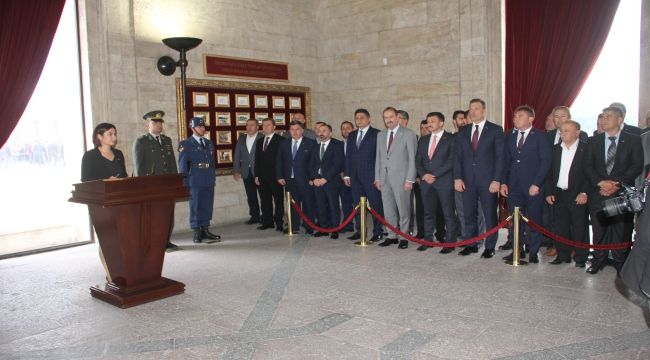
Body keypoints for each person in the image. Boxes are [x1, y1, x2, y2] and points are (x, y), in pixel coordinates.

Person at [584, 106, 643, 275]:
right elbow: (587, 166)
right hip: (598, 192)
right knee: (599, 230)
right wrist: (601, 183)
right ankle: (598, 261)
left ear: (619, 120)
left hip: (621, 193)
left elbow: (636, 166)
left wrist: (615, 184)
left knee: (621, 230)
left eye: (608, 117)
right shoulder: (594, 141)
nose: (603, 120)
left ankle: (620, 263)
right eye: (602, 116)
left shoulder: (632, 140)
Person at [500, 105, 552, 264]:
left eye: (520, 115)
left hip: (533, 186)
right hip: (513, 185)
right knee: (516, 220)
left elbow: (546, 162)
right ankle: (517, 250)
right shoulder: (509, 135)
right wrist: (503, 182)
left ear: (531, 119)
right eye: (515, 115)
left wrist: (537, 183)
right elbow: (505, 161)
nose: (516, 118)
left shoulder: (540, 136)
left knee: (534, 220)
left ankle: (534, 251)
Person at [454, 98, 504, 258]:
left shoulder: (495, 130)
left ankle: (490, 246)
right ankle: (471, 244)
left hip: (488, 181)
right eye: (470, 109)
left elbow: (500, 157)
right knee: (469, 214)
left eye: (476, 108)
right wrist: (457, 178)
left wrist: (497, 180)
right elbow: (457, 157)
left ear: (483, 111)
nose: (472, 112)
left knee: (490, 215)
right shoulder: (463, 131)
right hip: (467, 180)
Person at [544, 120, 590, 267]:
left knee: (579, 227)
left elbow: (590, 173)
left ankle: (581, 257)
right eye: (562, 131)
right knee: (560, 227)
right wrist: (549, 192)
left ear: (577, 133)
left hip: (577, 194)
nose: (563, 134)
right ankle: (563, 255)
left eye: (567, 131)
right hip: (559, 193)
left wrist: (584, 192)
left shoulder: (586, 149)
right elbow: (549, 173)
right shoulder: (555, 149)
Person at [132, 110, 179, 250]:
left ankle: (166, 240)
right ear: (148, 125)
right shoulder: (141, 142)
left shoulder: (167, 140)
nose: (158, 125)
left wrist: (175, 182)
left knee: (168, 213)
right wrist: (142, 187)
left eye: (160, 122)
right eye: (155, 122)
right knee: (153, 215)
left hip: (167, 184)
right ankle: (154, 242)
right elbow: (138, 166)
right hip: (151, 186)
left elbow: (171, 163)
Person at [375, 107, 417, 249]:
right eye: (386, 117)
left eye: (391, 116)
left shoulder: (408, 134)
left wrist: (410, 179)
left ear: (397, 117)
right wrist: (378, 178)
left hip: (402, 179)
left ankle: (403, 236)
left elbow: (412, 159)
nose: (389, 120)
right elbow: (379, 159)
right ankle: (391, 235)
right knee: (388, 209)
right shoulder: (380, 135)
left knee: (403, 209)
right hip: (384, 178)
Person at [415, 112, 457, 253]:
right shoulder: (423, 140)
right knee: (428, 213)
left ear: (441, 123)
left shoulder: (451, 139)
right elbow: (418, 161)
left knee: (448, 213)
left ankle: (450, 243)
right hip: (426, 182)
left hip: (444, 182)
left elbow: (452, 161)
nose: (429, 123)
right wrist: (423, 175)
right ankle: (428, 240)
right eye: (428, 121)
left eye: (433, 121)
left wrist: (434, 174)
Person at [344, 109, 384, 244]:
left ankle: (378, 232)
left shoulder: (377, 134)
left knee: (375, 205)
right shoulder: (352, 135)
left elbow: (380, 157)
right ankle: (360, 231)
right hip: (354, 177)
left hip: (371, 176)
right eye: (357, 118)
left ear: (369, 119)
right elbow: (348, 156)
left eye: (362, 118)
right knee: (357, 205)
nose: (359, 120)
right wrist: (347, 174)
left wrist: (378, 176)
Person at [178, 117, 220, 244]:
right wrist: (185, 182)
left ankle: (205, 229)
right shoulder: (185, 144)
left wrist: (213, 177)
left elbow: (212, 162)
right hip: (195, 178)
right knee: (195, 206)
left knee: (207, 205)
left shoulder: (209, 143)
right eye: (200, 126)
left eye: (203, 126)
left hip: (208, 177)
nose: (203, 128)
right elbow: (183, 165)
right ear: (193, 128)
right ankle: (197, 231)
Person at [276, 120, 316, 235]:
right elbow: (279, 161)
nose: (295, 132)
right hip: (289, 180)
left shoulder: (310, 143)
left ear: (302, 130)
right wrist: (279, 176)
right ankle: (294, 226)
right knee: (293, 204)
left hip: (306, 180)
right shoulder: (284, 143)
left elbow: (314, 163)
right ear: (289, 131)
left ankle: (309, 226)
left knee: (308, 203)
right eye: (292, 129)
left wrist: (312, 178)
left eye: (297, 129)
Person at [310, 123, 345, 239]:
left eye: (324, 131)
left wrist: (325, 179)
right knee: (320, 205)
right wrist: (314, 178)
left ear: (330, 133)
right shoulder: (315, 146)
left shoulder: (338, 145)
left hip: (331, 181)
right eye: (320, 131)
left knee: (333, 205)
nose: (321, 133)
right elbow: (311, 164)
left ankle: (335, 229)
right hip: (317, 182)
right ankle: (323, 228)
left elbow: (337, 164)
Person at [255, 118, 285, 231]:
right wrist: (256, 175)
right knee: (265, 200)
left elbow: (283, 160)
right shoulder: (259, 141)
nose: (265, 127)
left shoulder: (281, 140)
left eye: (268, 125)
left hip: (276, 177)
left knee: (278, 200)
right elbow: (257, 159)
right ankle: (267, 222)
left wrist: (281, 175)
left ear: (274, 127)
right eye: (263, 125)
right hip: (262, 177)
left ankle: (279, 223)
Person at [233, 118, 263, 225]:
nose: (249, 127)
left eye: (252, 125)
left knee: (263, 195)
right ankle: (255, 216)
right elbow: (237, 155)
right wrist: (236, 170)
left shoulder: (262, 137)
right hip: (246, 171)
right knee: (251, 196)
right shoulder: (241, 138)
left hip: (259, 171)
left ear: (257, 127)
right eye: (247, 125)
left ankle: (265, 216)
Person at [339, 121, 355, 233]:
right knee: (346, 203)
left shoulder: (357, 143)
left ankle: (361, 227)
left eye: (348, 128)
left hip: (356, 178)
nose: (346, 130)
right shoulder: (339, 145)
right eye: (343, 128)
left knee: (359, 203)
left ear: (353, 129)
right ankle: (348, 225)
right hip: (342, 178)